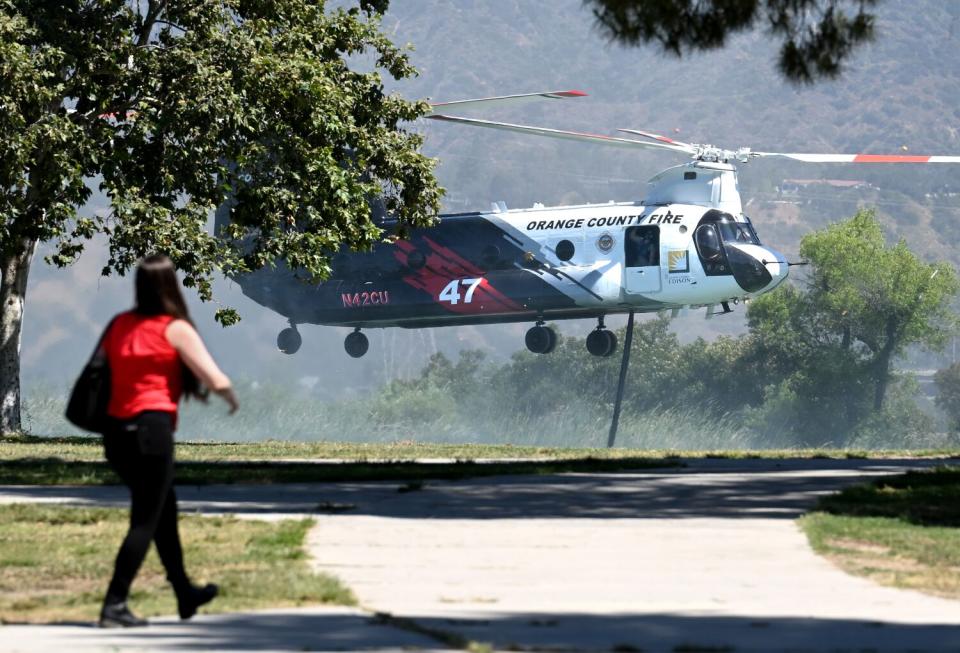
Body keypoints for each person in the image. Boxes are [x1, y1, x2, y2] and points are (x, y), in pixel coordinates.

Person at [98, 254, 240, 628]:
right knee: (145, 519)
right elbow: (214, 377)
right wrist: (230, 398)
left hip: (115, 434)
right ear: (170, 285)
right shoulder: (174, 328)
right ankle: (114, 603)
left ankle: (183, 593)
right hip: (151, 432)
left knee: (163, 511)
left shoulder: (119, 325)